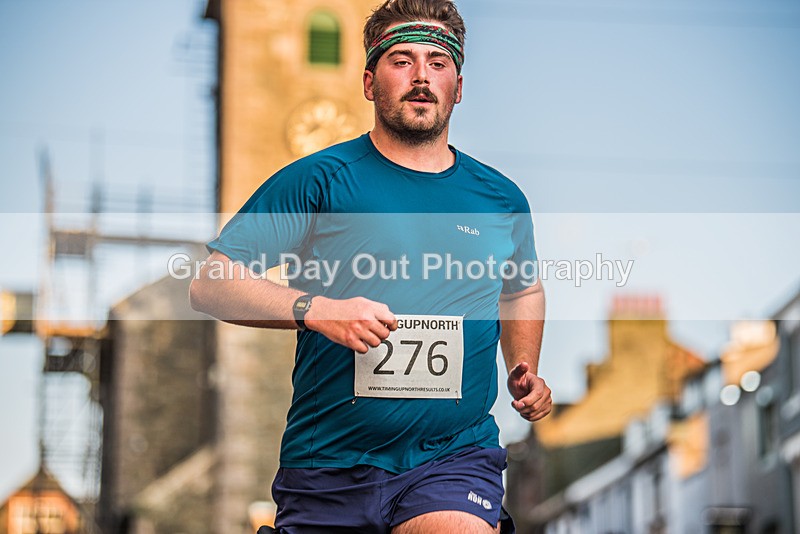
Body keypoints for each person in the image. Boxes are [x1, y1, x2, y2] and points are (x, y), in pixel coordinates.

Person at [189, 0, 551, 532]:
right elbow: (210, 283)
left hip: (451, 457)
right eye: (402, 61)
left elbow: (520, 290)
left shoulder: (500, 200)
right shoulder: (318, 180)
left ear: (458, 85)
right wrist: (315, 310)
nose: (422, 76)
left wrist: (524, 364)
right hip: (329, 463)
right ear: (368, 82)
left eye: (438, 62)